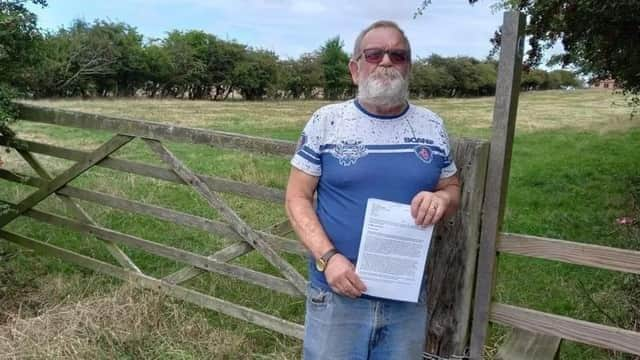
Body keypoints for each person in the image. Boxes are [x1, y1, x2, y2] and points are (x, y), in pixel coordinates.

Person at [285, 20, 461, 359]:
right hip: (338, 294)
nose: (385, 62)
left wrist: (441, 199)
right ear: (355, 68)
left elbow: (452, 188)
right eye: (374, 54)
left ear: (409, 67)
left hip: (406, 299)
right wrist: (329, 259)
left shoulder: (432, 126)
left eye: (397, 55)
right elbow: (297, 198)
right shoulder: (327, 121)